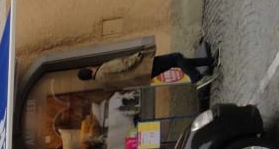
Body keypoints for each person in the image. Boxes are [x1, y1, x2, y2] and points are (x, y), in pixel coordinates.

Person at [77, 45, 216, 88]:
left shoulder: (102, 83)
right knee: (176, 57)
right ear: (89, 69)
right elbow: (123, 65)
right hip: (143, 67)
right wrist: (138, 56)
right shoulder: (103, 70)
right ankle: (196, 77)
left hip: (143, 76)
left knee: (176, 60)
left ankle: (209, 61)